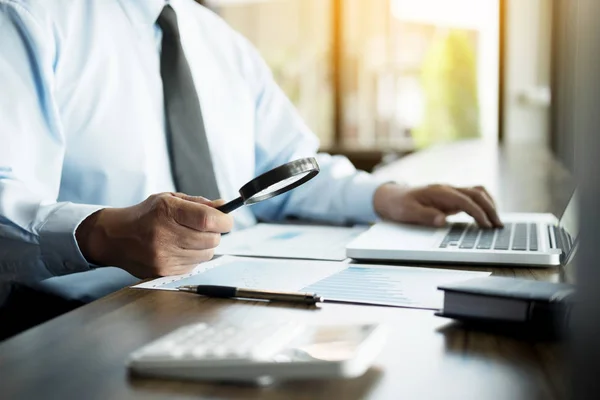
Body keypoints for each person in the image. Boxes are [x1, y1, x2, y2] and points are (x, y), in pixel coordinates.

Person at [0, 0, 502, 312]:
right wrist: (103, 234)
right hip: (83, 316)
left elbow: (290, 169)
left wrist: (389, 196)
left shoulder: (221, 42)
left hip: (233, 294)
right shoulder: (26, 16)